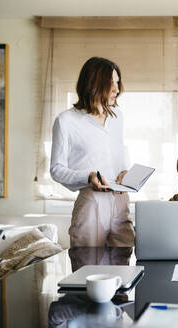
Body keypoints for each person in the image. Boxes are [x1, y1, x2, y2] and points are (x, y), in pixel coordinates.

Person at [50, 57, 134, 247]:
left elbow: (118, 152)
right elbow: (56, 169)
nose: (117, 90)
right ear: (93, 84)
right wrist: (88, 176)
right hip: (91, 202)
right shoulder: (66, 121)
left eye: (118, 82)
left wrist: (124, 171)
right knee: (85, 268)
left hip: (120, 200)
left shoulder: (117, 117)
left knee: (126, 266)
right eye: (110, 83)